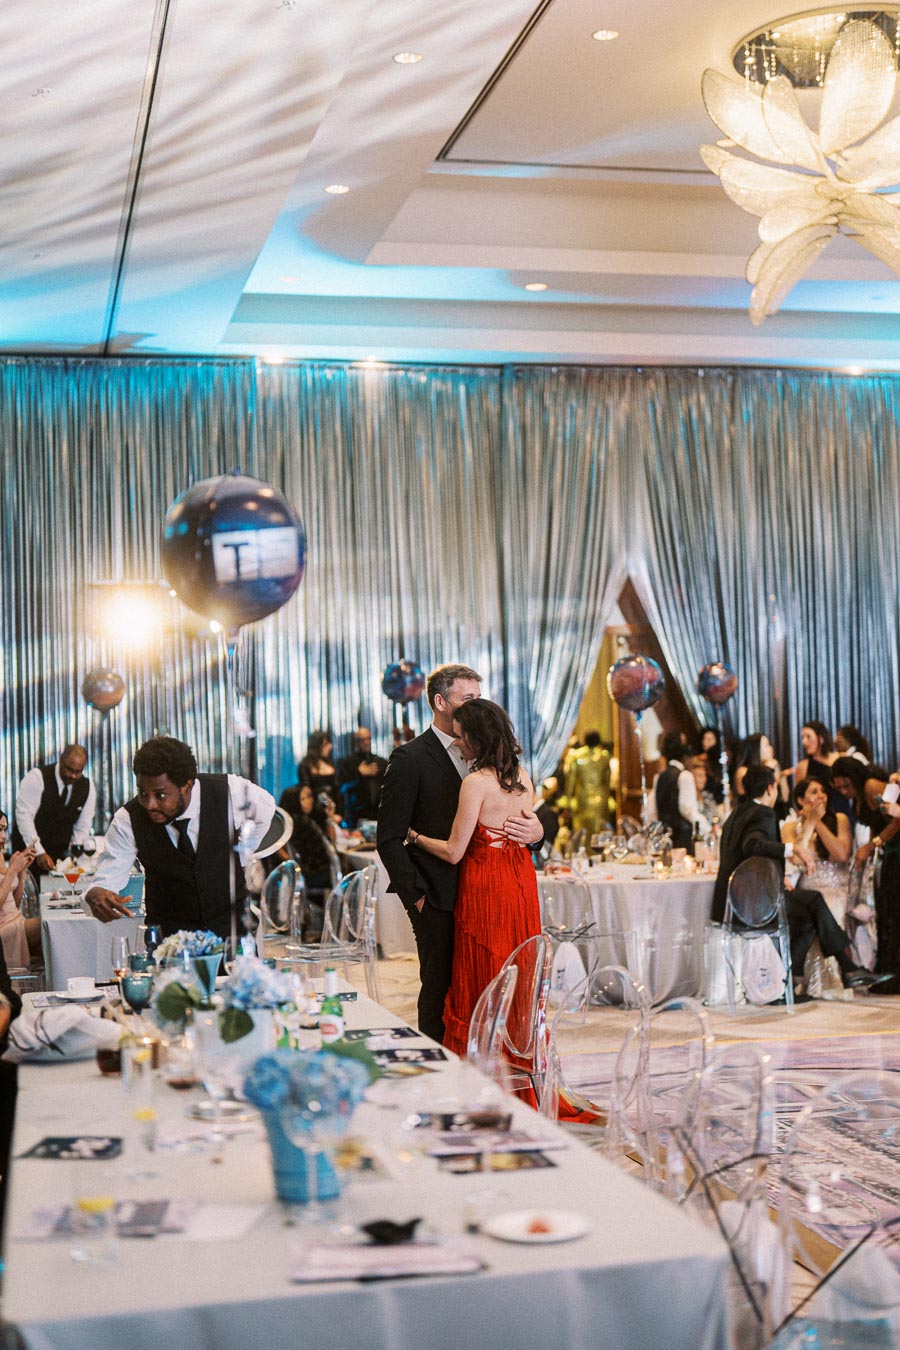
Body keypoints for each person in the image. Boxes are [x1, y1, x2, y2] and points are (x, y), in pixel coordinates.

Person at [377, 663, 542, 1043]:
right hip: (439, 896)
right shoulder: (410, 759)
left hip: (491, 895)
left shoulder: (495, 760)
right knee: (440, 993)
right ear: (440, 702)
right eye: (467, 698)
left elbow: (515, 825)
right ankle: (444, 1078)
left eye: (478, 698)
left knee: (492, 989)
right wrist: (415, 898)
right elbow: (389, 837)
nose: (476, 705)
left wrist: (538, 833)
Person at [713, 764, 885, 993]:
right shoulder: (762, 812)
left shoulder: (737, 814)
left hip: (732, 903)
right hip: (752, 905)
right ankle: (848, 969)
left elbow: (747, 855)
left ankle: (794, 982)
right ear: (770, 788)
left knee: (808, 914)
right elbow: (752, 845)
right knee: (813, 903)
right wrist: (790, 848)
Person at [83, 736, 276, 938]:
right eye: (142, 792)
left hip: (233, 935)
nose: (149, 804)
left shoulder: (230, 791)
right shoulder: (127, 819)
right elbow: (108, 876)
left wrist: (242, 856)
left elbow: (266, 810)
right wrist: (96, 892)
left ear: (187, 786)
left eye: (160, 795)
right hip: (169, 943)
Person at [832, 756, 900, 984]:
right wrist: (868, 850)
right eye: (838, 787)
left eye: (846, 785)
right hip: (888, 853)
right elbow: (876, 823)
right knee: (887, 908)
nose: (843, 791)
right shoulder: (860, 795)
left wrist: (873, 845)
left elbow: (896, 820)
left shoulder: (871, 785)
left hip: (897, 850)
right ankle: (889, 969)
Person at [12, 745, 96, 875]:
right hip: (27, 856)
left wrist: (74, 858)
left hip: (59, 859)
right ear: (61, 760)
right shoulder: (37, 777)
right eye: (69, 769)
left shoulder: (87, 787)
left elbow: (82, 827)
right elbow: (24, 817)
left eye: (78, 772)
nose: (73, 776)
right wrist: (39, 852)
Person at [278, 782, 336, 940]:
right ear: (294, 801)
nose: (309, 801)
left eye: (310, 796)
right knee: (352, 871)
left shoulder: (292, 822)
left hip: (307, 872)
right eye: (304, 798)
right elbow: (331, 844)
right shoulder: (301, 822)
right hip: (312, 873)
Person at [646, 731, 707, 849]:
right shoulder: (685, 776)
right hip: (683, 838)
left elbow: (651, 809)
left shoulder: (659, 777)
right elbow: (687, 810)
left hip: (665, 838)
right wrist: (706, 827)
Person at [0, 813, 41, 970]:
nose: (3, 835)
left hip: (15, 919)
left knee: (52, 934)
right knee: (49, 928)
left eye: (4, 829)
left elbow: (15, 902)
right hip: (3, 927)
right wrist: (11, 871)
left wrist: (22, 870)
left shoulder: (0, 855)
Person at [564, 731, 612, 837]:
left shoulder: (575, 756)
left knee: (582, 834)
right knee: (599, 833)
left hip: (582, 800)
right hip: (601, 800)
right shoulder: (604, 757)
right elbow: (607, 782)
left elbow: (570, 783)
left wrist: (567, 802)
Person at [337, 728, 387, 826]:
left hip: (378, 814)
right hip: (356, 816)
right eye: (362, 740)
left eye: (368, 739)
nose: (366, 742)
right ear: (356, 742)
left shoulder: (380, 762)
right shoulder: (347, 763)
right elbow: (341, 788)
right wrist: (358, 773)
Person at [297, 731, 341, 814]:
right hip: (314, 812)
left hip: (333, 811)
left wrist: (338, 813)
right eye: (326, 744)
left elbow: (337, 792)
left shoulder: (330, 763)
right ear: (317, 746)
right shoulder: (305, 766)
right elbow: (307, 792)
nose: (330, 746)